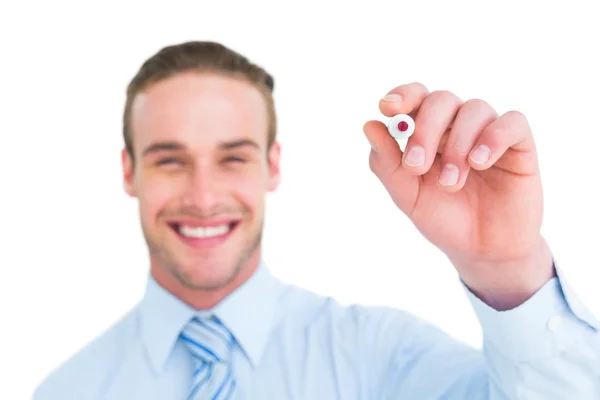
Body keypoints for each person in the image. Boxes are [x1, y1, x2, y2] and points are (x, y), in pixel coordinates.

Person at [33, 40, 600, 400]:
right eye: (170, 160)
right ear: (129, 172)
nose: (203, 196)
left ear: (271, 166)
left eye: (232, 157)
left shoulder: (385, 359)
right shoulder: (66, 391)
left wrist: (504, 266)